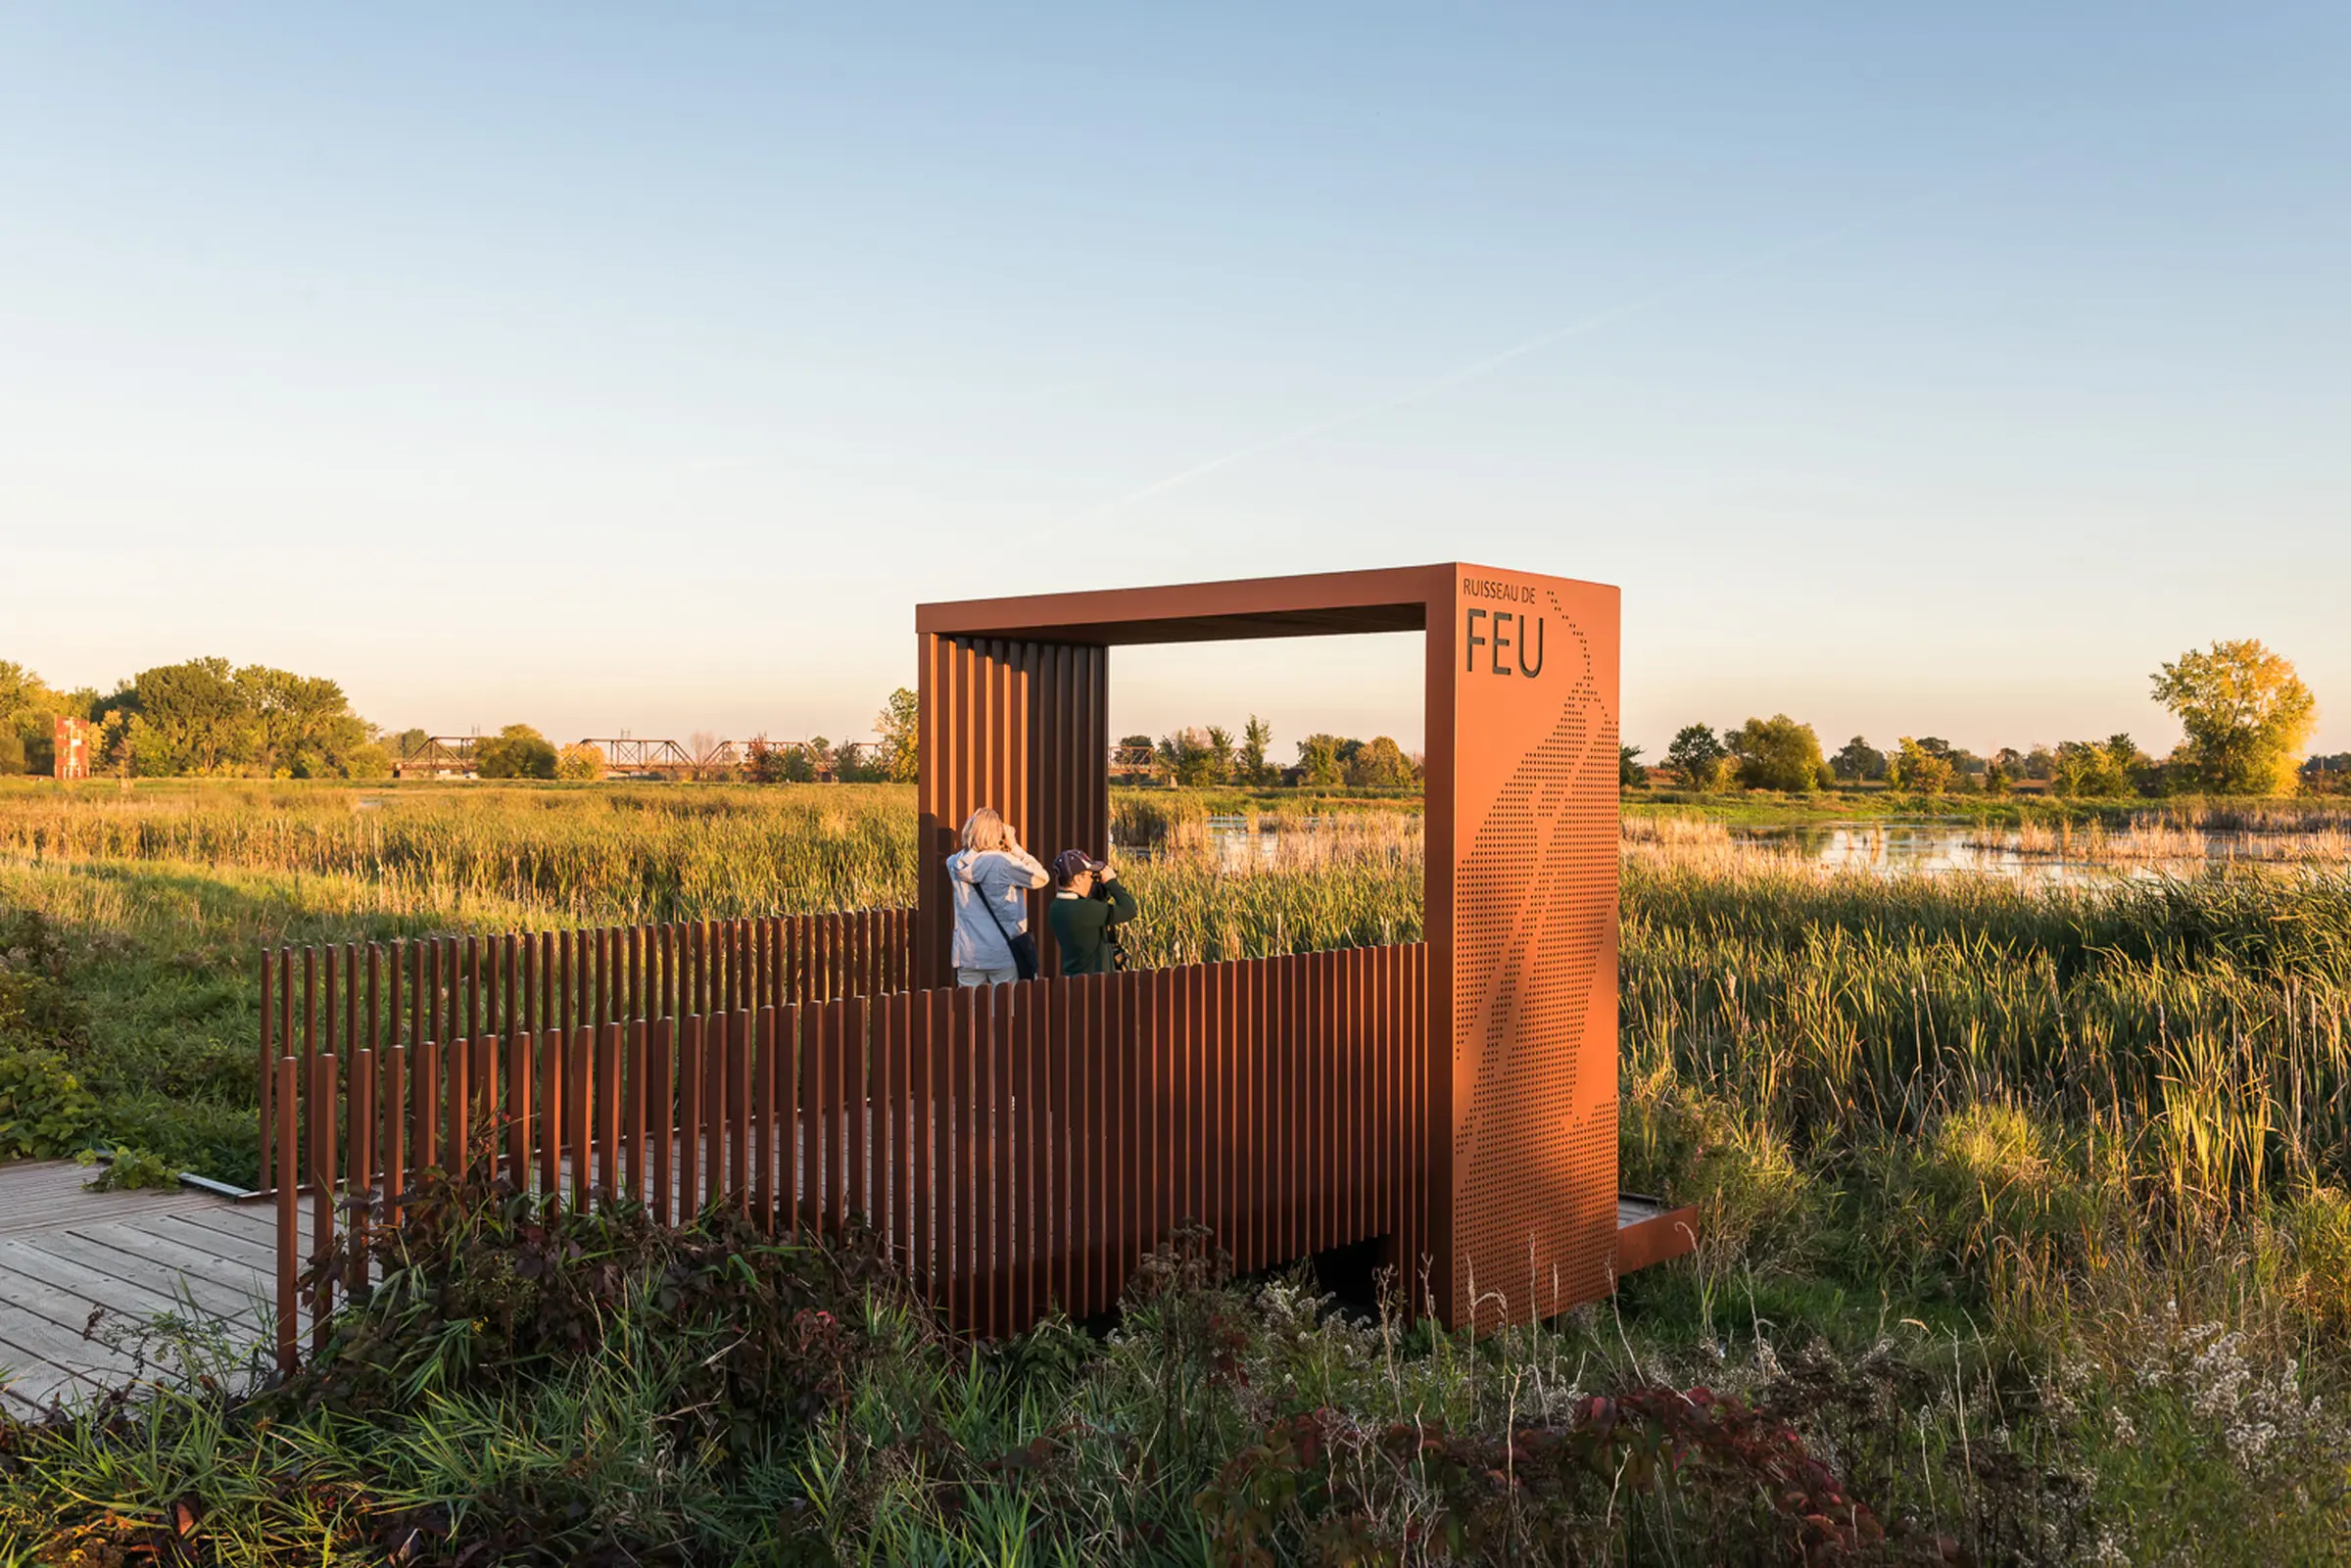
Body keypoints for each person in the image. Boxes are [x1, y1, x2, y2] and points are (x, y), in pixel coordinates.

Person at [945, 807, 1048, 986]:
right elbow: (1041, 877)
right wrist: (1015, 847)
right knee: (1004, 1008)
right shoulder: (1004, 862)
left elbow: (971, 861)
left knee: (970, 1009)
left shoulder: (954, 863)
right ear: (998, 834)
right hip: (1001, 952)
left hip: (967, 953)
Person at [1047, 849, 1138, 976]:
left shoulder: (1056, 907)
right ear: (1078, 879)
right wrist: (1111, 882)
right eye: (1090, 876)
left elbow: (1089, 921)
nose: (1092, 880)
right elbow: (1130, 910)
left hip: (1074, 980)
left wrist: (1100, 893)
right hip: (1095, 986)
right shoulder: (1084, 910)